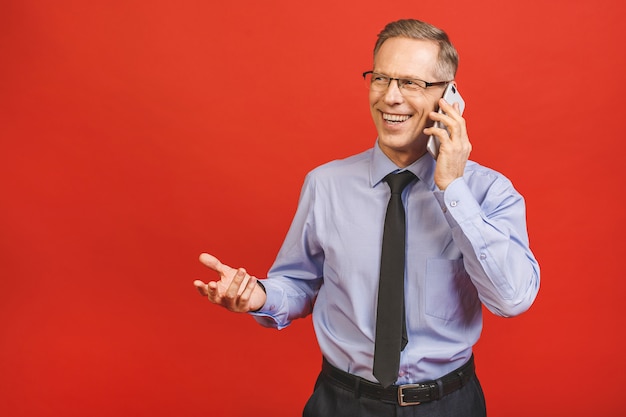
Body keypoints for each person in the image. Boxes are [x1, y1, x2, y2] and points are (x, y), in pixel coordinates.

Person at [193, 18, 540, 417]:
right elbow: (298, 284)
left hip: (448, 405)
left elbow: (512, 298)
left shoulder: (489, 192)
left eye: (411, 83)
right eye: (381, 78)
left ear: (451, 97)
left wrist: (451, 188)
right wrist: (260, 296)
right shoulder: (326, 185)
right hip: (341, 402)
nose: (391, 97)